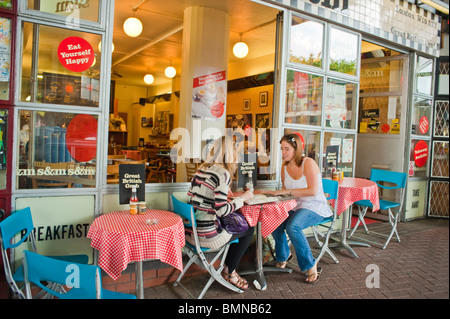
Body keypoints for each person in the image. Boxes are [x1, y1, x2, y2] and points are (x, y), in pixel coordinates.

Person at [187, 136, 254, 290]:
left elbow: (196, 197)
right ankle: (229, 271)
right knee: (249, 228)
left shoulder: (201, 168)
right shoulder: (222, 174)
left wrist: (230, 197)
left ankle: (228, 267)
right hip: (207, 236)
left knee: (238, 224)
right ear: (231, 154)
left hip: (191, 232)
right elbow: (222, 211)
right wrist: (243, 198)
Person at [268, 132, 332, 283]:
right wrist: (274, 197)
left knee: (293, 226)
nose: (283, 153)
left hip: (315, 206)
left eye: (286, 149)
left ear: (296, 149)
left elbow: (312, 191)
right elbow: (286, 192)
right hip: (296, 205)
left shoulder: (308, 163)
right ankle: (283, 255)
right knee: (275, 221)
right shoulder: (284, 166)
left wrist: (288, 191)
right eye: (282, 149)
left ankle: (310, 264)